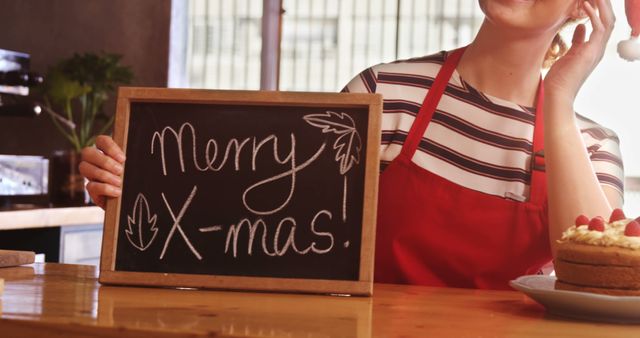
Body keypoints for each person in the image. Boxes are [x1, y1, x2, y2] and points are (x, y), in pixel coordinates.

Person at [79, 0, 623, 289]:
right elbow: (267, 232)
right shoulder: (383, 95)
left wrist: (559, 100)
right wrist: (146, 195)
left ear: (584, 6)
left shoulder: (590, 146)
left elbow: (597, 277)